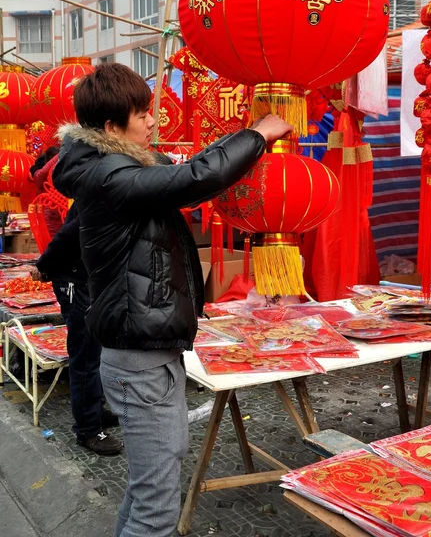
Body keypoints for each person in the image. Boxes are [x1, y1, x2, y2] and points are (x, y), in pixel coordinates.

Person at [52, 62, 292, 537]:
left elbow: (187, 168)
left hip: (144, 356)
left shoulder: (113, 166)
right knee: (156, 509)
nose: (153, 122)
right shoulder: (109, 176)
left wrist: (242, 138)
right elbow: (192, 180)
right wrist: (258, 135)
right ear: (111, 127)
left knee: (148, 492)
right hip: (140, 362)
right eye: (142, 115)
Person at [33, 204, 123, 456]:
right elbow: (67, 235)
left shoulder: (109, 185)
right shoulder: (104, 191)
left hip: (90, 279)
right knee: (85, 356)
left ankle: (93, 410)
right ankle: (88, 430)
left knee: (97, 351)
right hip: (76, 281)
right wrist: (44, 266)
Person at [30, 147, 63, 238]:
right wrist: (61, 154)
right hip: (51, 214)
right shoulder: (42, 175)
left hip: (59, 213)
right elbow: (41, 174)